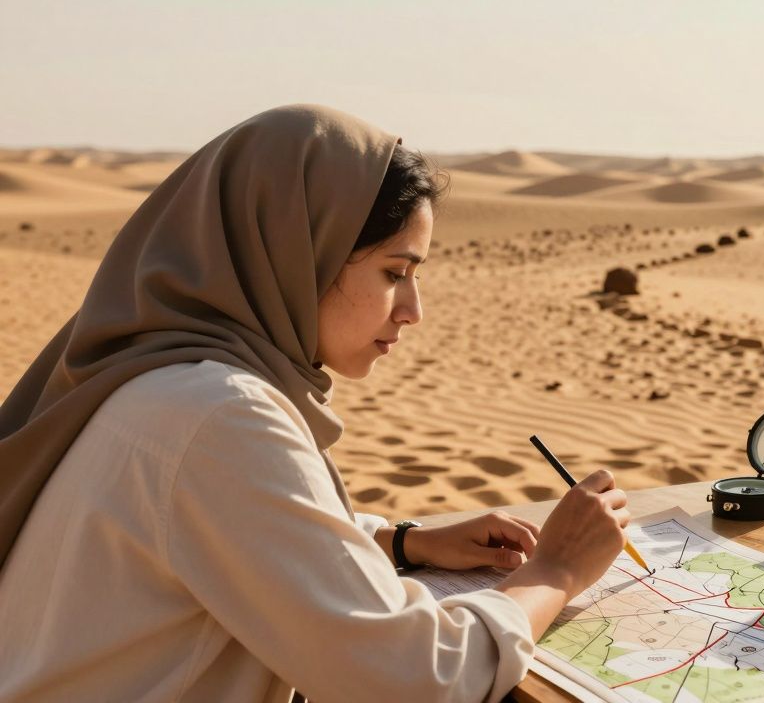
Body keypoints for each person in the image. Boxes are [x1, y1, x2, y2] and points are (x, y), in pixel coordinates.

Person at [0, 105, 631, 703]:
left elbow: (227, 530)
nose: (413, 311)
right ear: (301, 254)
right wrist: (557, 570)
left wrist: (399, 543)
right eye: (394, 272)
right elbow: (416, 680)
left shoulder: (160, 379)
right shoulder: (217, 415)